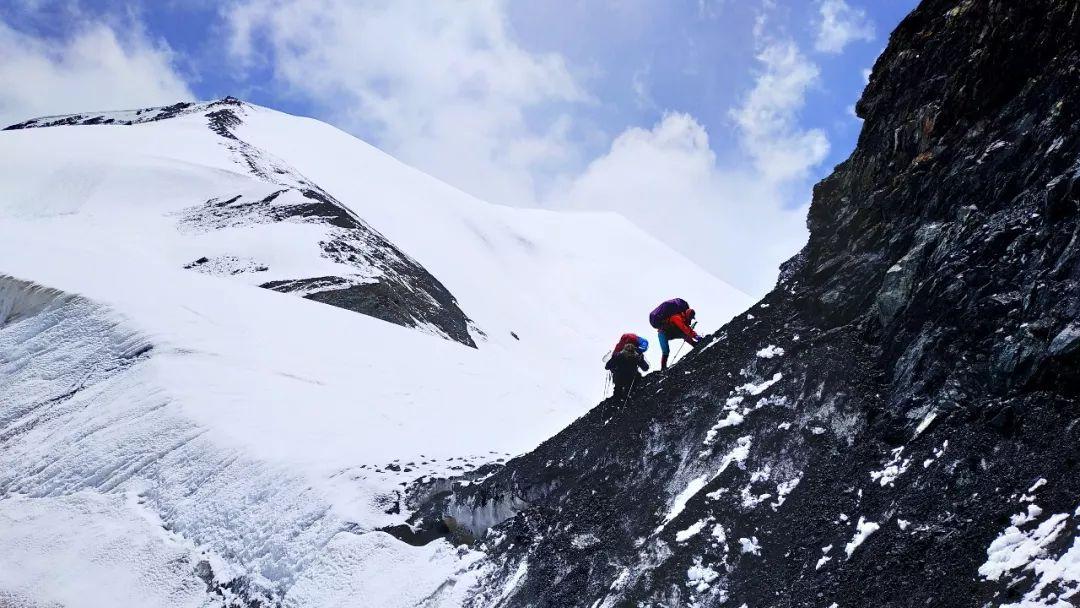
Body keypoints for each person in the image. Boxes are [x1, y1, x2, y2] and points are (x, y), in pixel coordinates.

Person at [649, 298, 701, 370]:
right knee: (666, 350)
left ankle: (695, 344)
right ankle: (663, 368)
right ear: (688, 315)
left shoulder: (683, 318)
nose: (691, 319)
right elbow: (685, 328)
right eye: (691, 318)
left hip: (671, 332)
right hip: (663, 333)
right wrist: (696, 336)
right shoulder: (677, 317)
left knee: (684, 334)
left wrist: (695, 335)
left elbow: (687, 328)